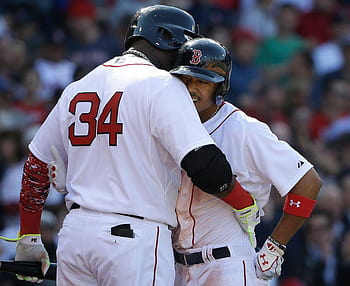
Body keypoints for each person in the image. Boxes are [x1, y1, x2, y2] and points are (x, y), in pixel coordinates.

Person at [6, 5, 256, 286]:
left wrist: (28, 235)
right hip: (133, 238)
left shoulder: (79, 86)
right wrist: (244, 203)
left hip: (75, 235)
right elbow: (204, 163)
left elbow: (35, 166)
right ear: (168, 40)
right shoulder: (163, 84)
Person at [169, 37, 322, 285]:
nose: (191, 89)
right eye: (185, 80)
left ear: (219, 86)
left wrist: (275, 246)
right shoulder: (170, 126)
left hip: (227, 264)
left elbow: (308, 182)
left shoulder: (244, 129)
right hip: (177, 266)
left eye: (201, 81)